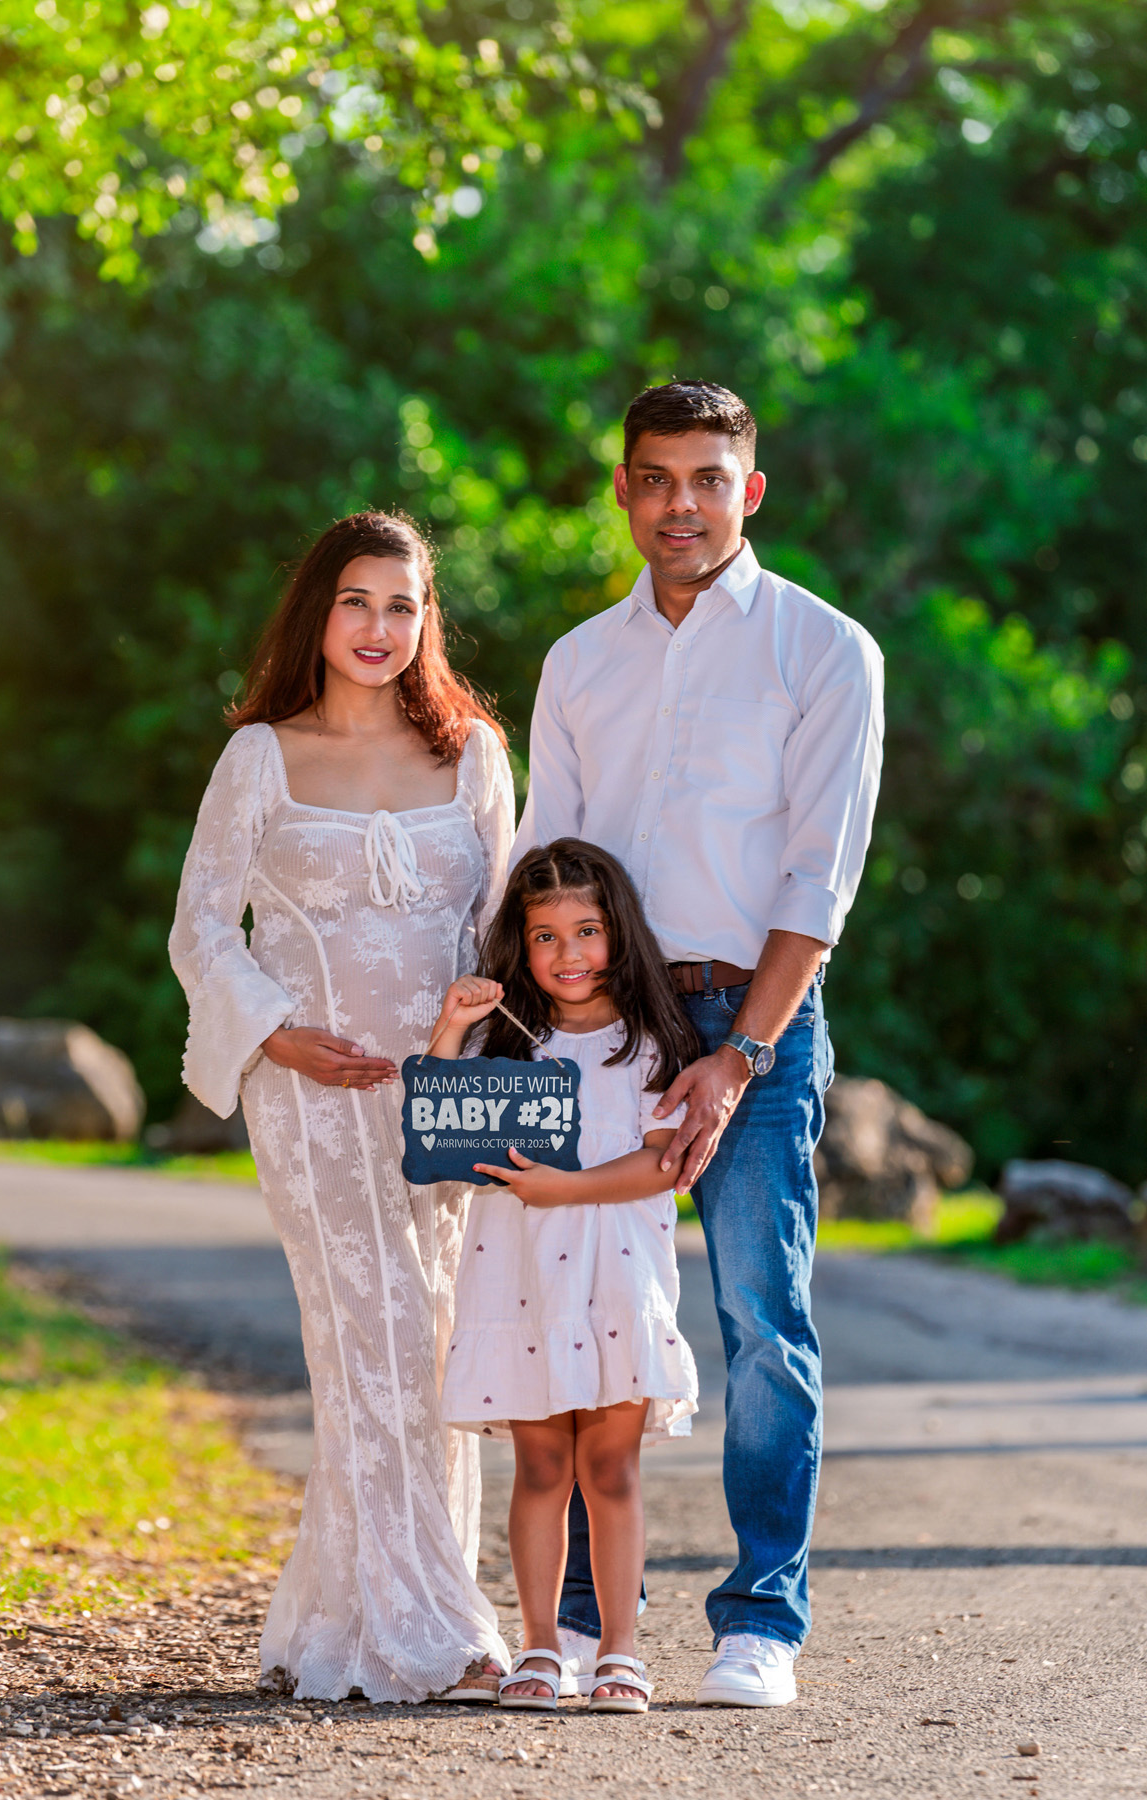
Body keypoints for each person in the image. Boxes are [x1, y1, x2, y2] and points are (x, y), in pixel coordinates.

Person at [514, 380, 884, 1706]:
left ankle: (759, 1625)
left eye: (707, 478)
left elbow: (815, 882)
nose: (682, 502)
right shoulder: (577, 663)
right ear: (622, 489)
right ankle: (566, 1626)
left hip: (754, 1016)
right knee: (575, 1311)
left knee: (756, 1317)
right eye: (656, 477)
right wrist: (509, 1034)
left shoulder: (822, 648)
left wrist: (738, 1058)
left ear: (750, 491)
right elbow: (537, 864)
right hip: (592, 1023)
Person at [168, 510, 514, 1703]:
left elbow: (501, 934)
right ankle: (439, 1632)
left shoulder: (471, 753)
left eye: (403, 605)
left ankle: (350, 1614)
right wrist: (274, 1033)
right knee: (364, 1338)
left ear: (428, 621)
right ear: (316, 612)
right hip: (309, 1097)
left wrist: (476, 1035)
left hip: (444, 1098)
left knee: (439, 1345)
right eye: (356, 602)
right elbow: (202, 925)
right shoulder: (260, 754)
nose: (379, 628)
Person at [429, 839, 701, 1714]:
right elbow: (436, 1137)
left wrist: (567, 1188)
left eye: (586, 930)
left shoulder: (652, 1040)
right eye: (544, 937)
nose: (568, 953)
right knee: (541, 1468)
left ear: (618, 931)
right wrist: (446, 1027)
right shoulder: (505, 1042)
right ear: (521, 943)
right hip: (518, 1282)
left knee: (611, 1467)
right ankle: (540, 1647)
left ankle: (620, 1650)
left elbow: (662, 1165)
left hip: (618, 1274)